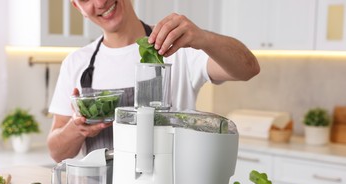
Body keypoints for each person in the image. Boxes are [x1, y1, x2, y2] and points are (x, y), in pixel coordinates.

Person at [47, 0, 260, 163]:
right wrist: (77, 129)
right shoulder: (76, 63)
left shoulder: (177, 47)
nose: (101, 2)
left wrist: (203, 38)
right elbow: (57, 152)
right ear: (78, 7)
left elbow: (248, 69)